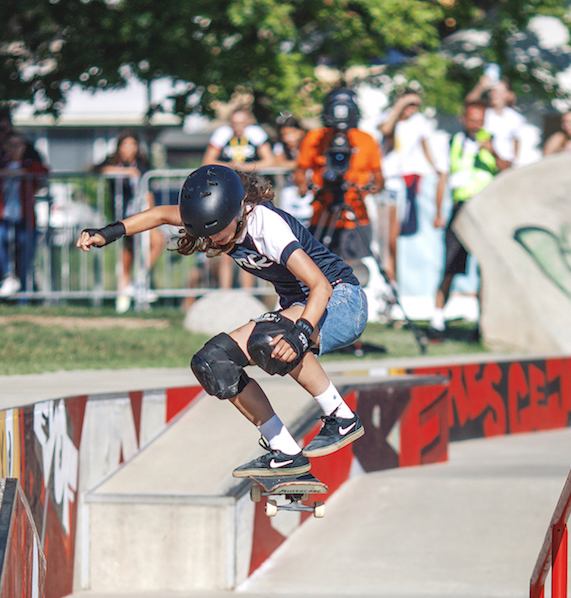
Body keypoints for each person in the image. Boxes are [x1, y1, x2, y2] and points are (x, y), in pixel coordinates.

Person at [76, 164, 367, 480]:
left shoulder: (266, 227)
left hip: (341, 301)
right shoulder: (210, 218)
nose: (213, 240)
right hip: (302, 306)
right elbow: (159, 214)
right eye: (205, 233)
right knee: (213, 361)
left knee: (270, 339)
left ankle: (341, 417)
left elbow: (320, 286)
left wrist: (300, 334)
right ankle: (285, 451)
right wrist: (106, 234)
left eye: (217, 232)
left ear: (238, 212)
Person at [429, 101, 507, 342]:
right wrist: (439, 211)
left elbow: (507, 170)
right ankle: (437, 321)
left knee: (486, 269)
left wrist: (492, 151)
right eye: (472, 119)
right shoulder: (453, 142)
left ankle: (482, 324)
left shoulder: (494, 140)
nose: (476, 124)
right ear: (464, 119)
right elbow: (443, 177)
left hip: (485, 209)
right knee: (450, 266)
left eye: (480, 120)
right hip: (460, 208)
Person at [295, 88, 384, 269]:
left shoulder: (366, 140)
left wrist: (370, 188)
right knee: (318, 266)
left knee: (353, 268)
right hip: (322, 214)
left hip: (355, 213)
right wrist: (305, 186)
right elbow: (300, 170)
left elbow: (379, 177)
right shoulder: (315, 138)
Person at [203, 108, 278, 290]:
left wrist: (246, 166)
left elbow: (270, 160)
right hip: (227, 194)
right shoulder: (223, 134)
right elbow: (208, 160)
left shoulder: (256, 134)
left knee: (247, 242)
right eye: (235, 123)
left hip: (249, 195)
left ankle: (247, 292)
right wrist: (230, 167)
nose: (238, 127)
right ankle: (225, 291)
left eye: (242, 123)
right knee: (224, 242)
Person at [95, 132, 165, 312]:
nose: (129, 149)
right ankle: (123, 296)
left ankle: (138, 282)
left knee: (157, 242)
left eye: (132, 145)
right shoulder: (112, 162)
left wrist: (153, 215)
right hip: (123, 217)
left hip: (141, 215)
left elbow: (148, 191)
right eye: (125, 145)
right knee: (127, 256)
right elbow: (97, 169)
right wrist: (124, 171)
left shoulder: (143, 164)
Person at [379, 89, 437, 282]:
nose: (412, 109)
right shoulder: (389, 116)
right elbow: (386, 131)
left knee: (397, 234)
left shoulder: (419, 122)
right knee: (385, 234)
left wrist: (436, 169)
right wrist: (399, 106)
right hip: (388, 180)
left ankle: (394, 278)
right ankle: (387, 275)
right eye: (409, 104)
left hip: (404, 182)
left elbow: (425, 144)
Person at [0, 130, 49, 299]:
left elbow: (44, 172)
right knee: (2, 247)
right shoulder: (3, 165)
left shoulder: (29, 165)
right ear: (5, 147)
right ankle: (7, 277)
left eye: (18, 145)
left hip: (26, 219)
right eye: (11, 145)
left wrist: (23, 172)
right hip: (4, 218)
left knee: (25, 260)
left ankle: (23, 298)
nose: (15, 149)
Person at [464, 70, 525, 167]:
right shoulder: (484, 113)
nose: (493, 94)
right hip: (482, 164)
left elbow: (517, 141)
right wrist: (481, 87)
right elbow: (468, 104)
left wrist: (514, 163)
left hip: (503, 165)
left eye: (498, 91)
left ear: (508, 95)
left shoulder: (515, 118)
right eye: (492, 91)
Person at [272, 115, 313, 224]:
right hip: (290, 188)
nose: (287, 138)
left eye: (290, 134)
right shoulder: (281, 147)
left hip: (309, 188)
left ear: (300, 132)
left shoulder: (308, 145)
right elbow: (278, 162)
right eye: (284, 135)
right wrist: (300, 164)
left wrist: (299, 165)